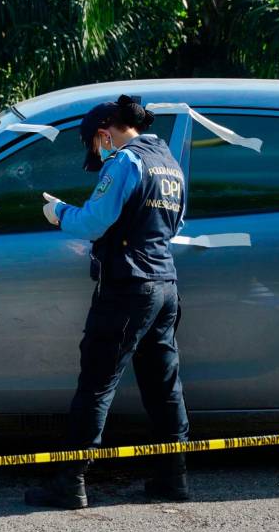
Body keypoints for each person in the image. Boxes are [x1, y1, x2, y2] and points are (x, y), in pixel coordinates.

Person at [25, 94, 190, 510]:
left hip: (129, 286)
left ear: (103, 133)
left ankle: (70, 481)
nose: (96, 154)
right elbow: (177, 222)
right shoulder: (168, 162)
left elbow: (95, 222)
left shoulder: (125, 162)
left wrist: (59, 212)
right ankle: (174, 477)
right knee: (163, 384)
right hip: (165, 284)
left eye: (94, 145)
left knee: (96, 384)